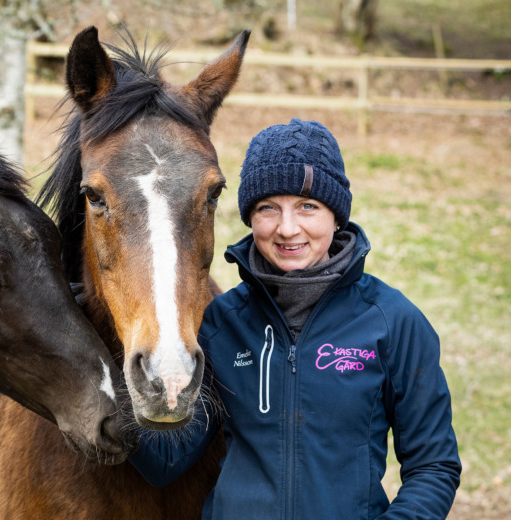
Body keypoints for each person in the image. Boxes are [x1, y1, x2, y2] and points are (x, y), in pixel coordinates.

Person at [128, 118, 461, 519]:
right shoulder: (222, 322)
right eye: (268, 208)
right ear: (250, 218)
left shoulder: (393, 322)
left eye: (308, 206)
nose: (287, 229)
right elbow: (166, 460)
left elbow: (434, 466)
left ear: (336, 215)